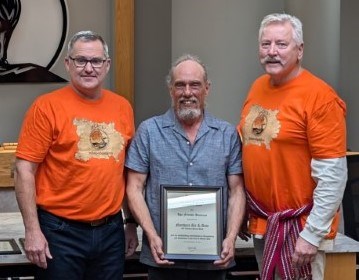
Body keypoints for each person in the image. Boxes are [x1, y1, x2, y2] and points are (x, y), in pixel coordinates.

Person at [14, 30, 138, 280]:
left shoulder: (122, 107)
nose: (89, 68)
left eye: (96, 61)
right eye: (81, 60)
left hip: (110, 230)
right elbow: (23, 170)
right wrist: (32, 230)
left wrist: (130, 223)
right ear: (68, 64)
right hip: (60, 232)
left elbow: (123, 172)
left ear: (107, 65)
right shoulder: (46, 107)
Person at [237, 13, 347, 280]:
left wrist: (311, 235)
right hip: (265, 223)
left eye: (281, 44)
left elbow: (333, 176)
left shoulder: (320, 98)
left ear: (300, 50)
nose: (272, 52)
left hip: (302, 230)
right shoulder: (257, 87)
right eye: (266, 44)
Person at [125, 54, 246, 280]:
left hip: (215, 257)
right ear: (171, 90)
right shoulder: (149, 132)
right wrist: (150, 235)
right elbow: (134, 187)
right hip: (161, 256)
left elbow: (237, 191)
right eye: (180, 85)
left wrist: (230, 238)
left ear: (207, 89)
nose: (187, 92)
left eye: (195, 85)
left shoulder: (227, 134)